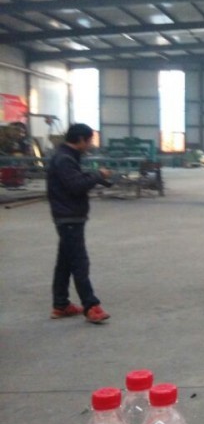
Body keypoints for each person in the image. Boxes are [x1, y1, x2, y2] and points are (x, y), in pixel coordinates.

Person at [47, 123, 113, 324]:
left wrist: (95, 177)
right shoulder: (64, 159)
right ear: (81, 140)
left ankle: (61, 305)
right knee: (79, 262)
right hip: (68, 217)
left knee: (65, 263)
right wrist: (98, 175)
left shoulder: (67, 157)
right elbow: (76, 186)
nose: (90, 145)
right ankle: (91, 306)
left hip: (69, 216)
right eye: (89, 141)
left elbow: (75, 180)